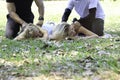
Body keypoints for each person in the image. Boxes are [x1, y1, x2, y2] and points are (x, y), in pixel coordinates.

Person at [14, 21, 98, 41]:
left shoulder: (77, 26)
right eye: (71, 31)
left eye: (72, 29)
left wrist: (80, 38)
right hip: (45, 28)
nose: (73, 32)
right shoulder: (60, 34)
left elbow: (95, 36)